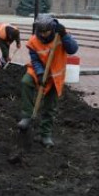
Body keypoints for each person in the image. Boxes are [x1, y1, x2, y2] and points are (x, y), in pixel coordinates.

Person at [17, 14, 79, 148]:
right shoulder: (33, 41)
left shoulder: (60, 35)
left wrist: (65, 35)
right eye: (41, 32)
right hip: (38, 71)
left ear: (52, 28)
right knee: (26, 82)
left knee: (50, 107)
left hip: (55, 75)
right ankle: (27, 116)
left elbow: (73, 49)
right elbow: (35, 59)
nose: (44, 35)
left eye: (47, 32)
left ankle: (45, 135)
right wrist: (39, 74)